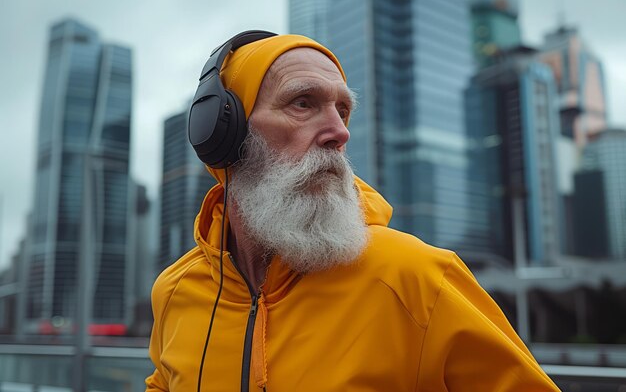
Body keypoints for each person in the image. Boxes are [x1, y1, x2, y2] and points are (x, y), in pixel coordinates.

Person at [145, 31, 560, 392]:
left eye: (343, 110)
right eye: (303, 103)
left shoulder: (419, 278)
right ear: (225, 132)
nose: (339, 132)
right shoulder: (173, 291)